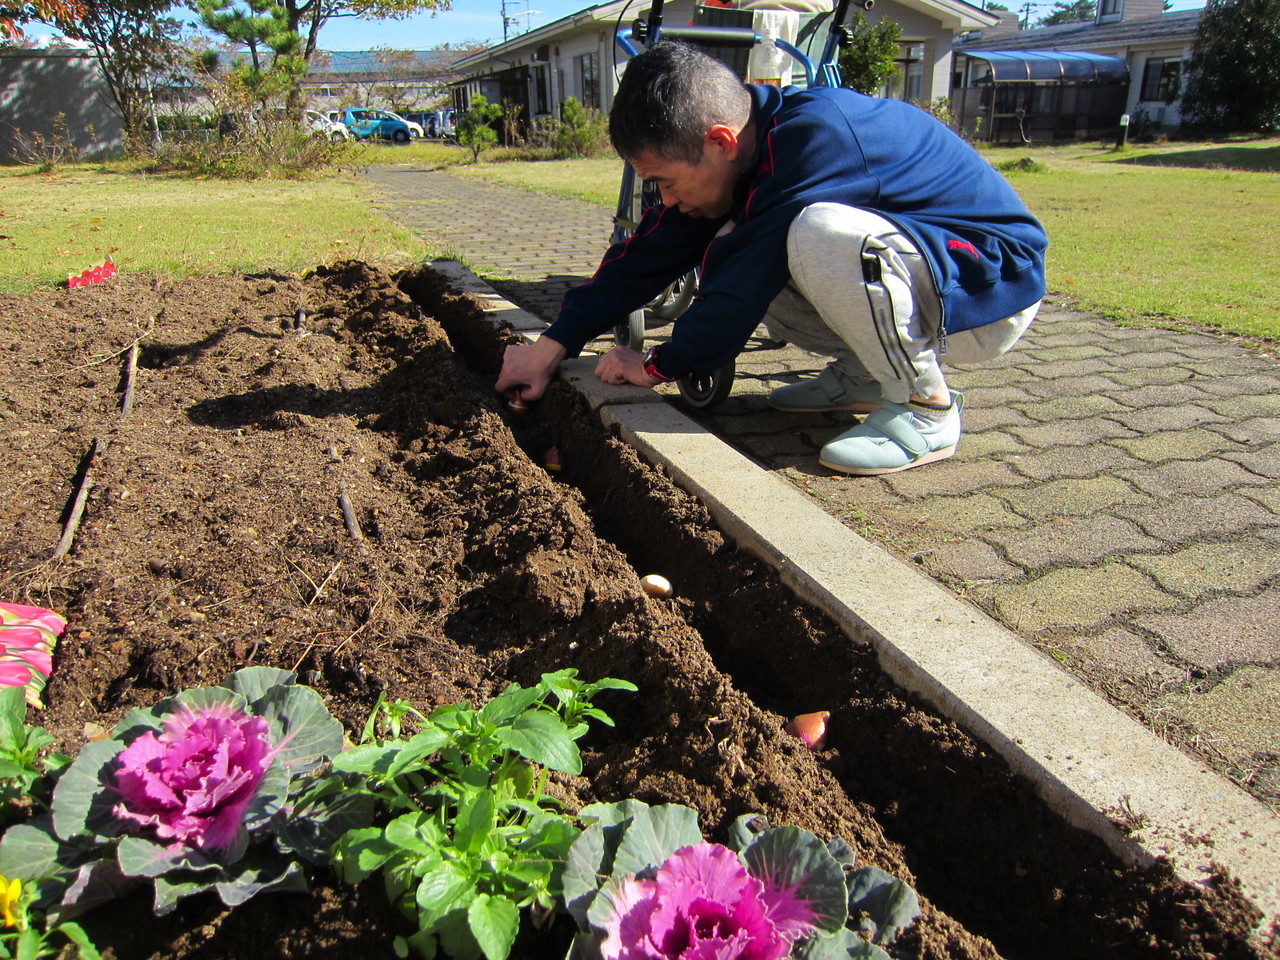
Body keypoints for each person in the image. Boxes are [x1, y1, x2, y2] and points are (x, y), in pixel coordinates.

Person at [495, 41, 1048, 475]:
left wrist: (660, 365)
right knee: (761, 234)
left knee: (811, 234)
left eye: (665, 182)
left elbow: (738, 284)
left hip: (984, 288)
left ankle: (927, 408)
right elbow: (650, 252)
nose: (664, 198)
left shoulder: (819, 138)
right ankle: (865, 376)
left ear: (719, 140)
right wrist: (551, 347)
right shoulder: (746, 152)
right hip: (923, 275)